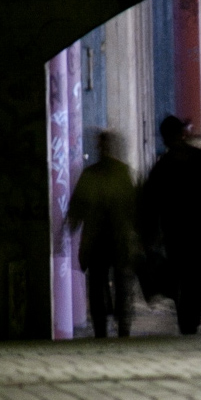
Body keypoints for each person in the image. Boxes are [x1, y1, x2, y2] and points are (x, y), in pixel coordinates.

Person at [138, 116, 201, 335]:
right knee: (195, 277)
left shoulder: (163, 167)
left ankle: (186, 320)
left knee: (182, 275)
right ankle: (191, 321)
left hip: (177, 232)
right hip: (197, 231)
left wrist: (150, 233)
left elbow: (150, 202)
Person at [67, 130, 141, 338]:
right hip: (118, 239)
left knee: (99, 285)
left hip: (99, 240)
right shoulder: (122, 172)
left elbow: (77, 208)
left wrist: (72, 226)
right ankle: (122, 326)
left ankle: (103, 328)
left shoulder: (91, 175)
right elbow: (133, 208)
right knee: (121, 285)